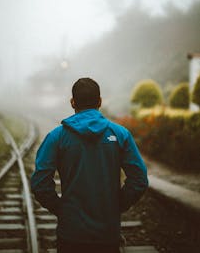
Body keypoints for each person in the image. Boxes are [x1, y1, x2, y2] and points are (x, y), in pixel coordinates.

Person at [31, 77, 148, 253]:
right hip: (108, 234)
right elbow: (139, 179)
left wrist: (62, 209)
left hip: (71, 234)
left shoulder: (56, 137)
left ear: (72, 102)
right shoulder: (120, 134)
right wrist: (117, 205)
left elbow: (40, 183)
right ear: (100, 101)